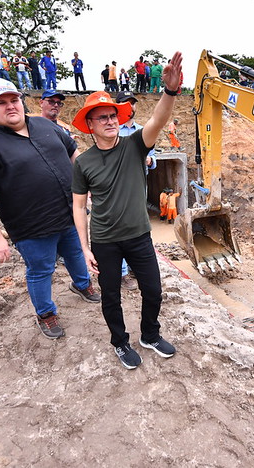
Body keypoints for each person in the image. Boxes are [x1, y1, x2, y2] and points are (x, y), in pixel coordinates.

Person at [71, 51, 182, 370]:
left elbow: (158, 120)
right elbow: (79, 206)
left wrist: (171, 91)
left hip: (139, 237)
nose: (109, 121)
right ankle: (120, 342)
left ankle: (149, 334)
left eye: (112, 116)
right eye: (102, 117)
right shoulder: (84, 163)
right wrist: (83, 246)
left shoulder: (134, 145)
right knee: (111, 297)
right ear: (90, 124)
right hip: (105, 240)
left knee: (153, 290)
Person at [0, 78, 98, 340]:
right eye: (1, 102)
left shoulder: (44, 125)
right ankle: (46, 313)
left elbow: (73, 153)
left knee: (75, 254)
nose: (10, 106)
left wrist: (89, 183)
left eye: (14, 100)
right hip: (31, 226)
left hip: (69, 214)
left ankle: (82, 285)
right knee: (41, 270)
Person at [116, 90, 157, 291]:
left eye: (133, 103)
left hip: (139, 188)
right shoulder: (112, 130)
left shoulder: (144, 131)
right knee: (121, 229)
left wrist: (149, 160)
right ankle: (122, 273)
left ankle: (135, 266)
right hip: (118, 189)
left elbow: (154, 160)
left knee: (138, 228)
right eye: (125, 103)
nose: (130, 106)